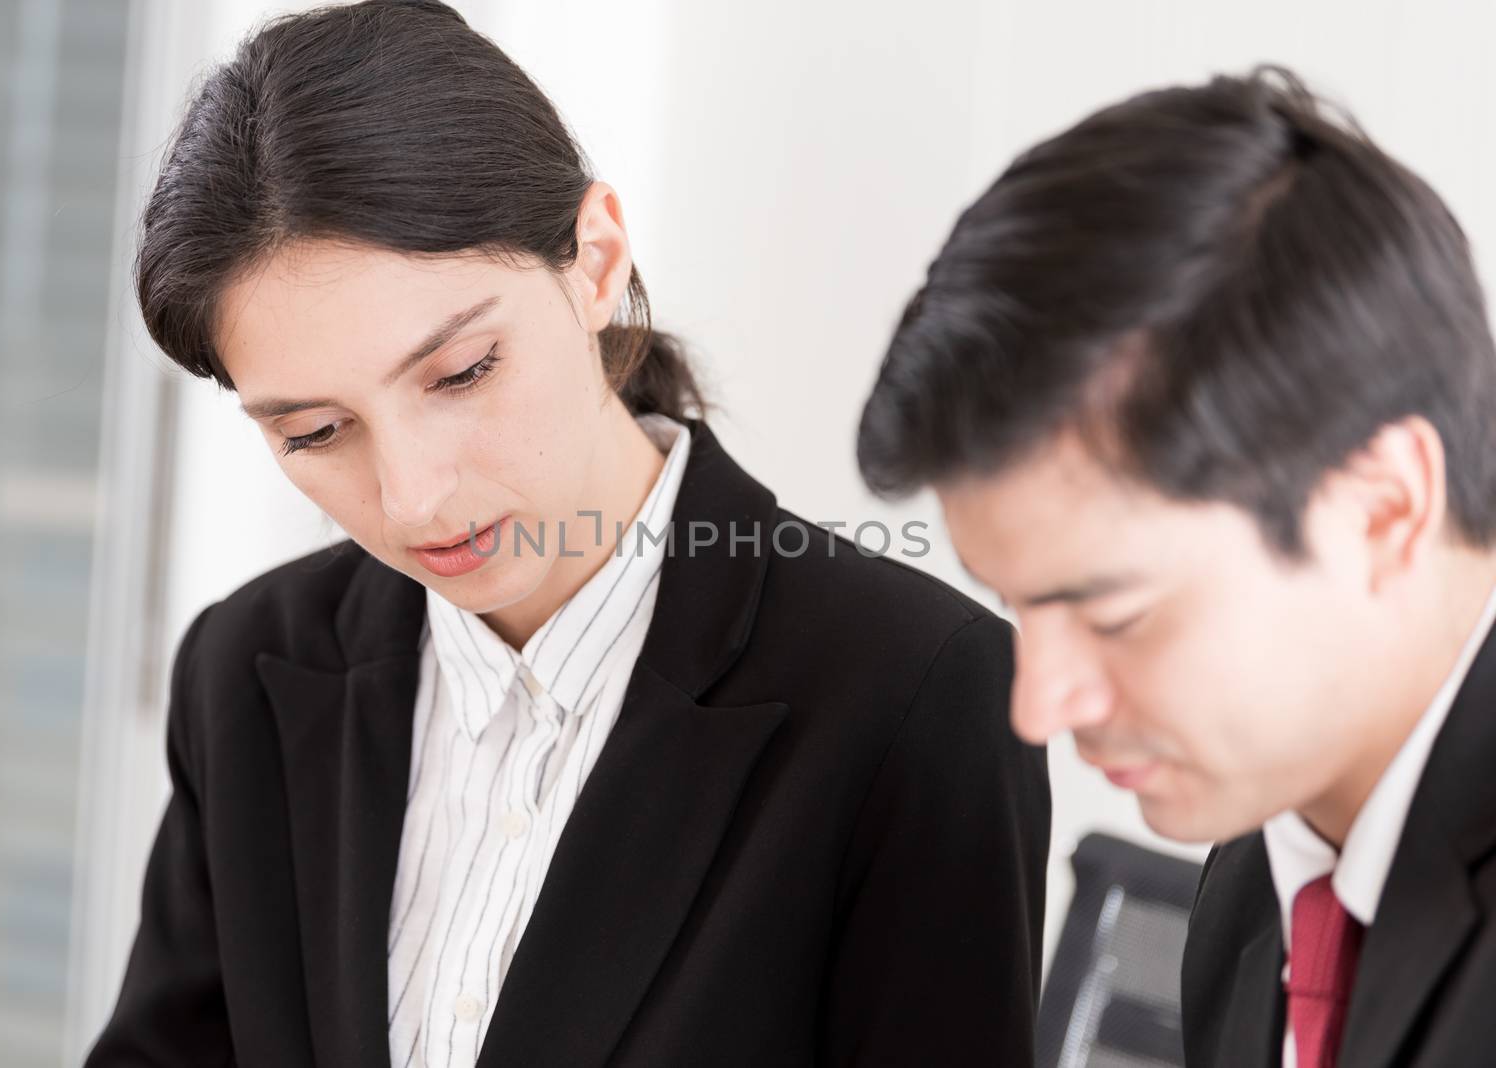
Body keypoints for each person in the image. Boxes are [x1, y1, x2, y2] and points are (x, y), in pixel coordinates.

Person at [84, 2, 1051, 1066]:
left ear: (594, 262)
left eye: (461, 373)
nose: (412, 499)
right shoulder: (246, 674)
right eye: (315, 432)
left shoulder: (913, 692)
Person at [857, 67, 1496, 1068]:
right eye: (1018, 608)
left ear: (1383, 508)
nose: (1039, 709)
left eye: (1113, 614)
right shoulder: (1251, 883)